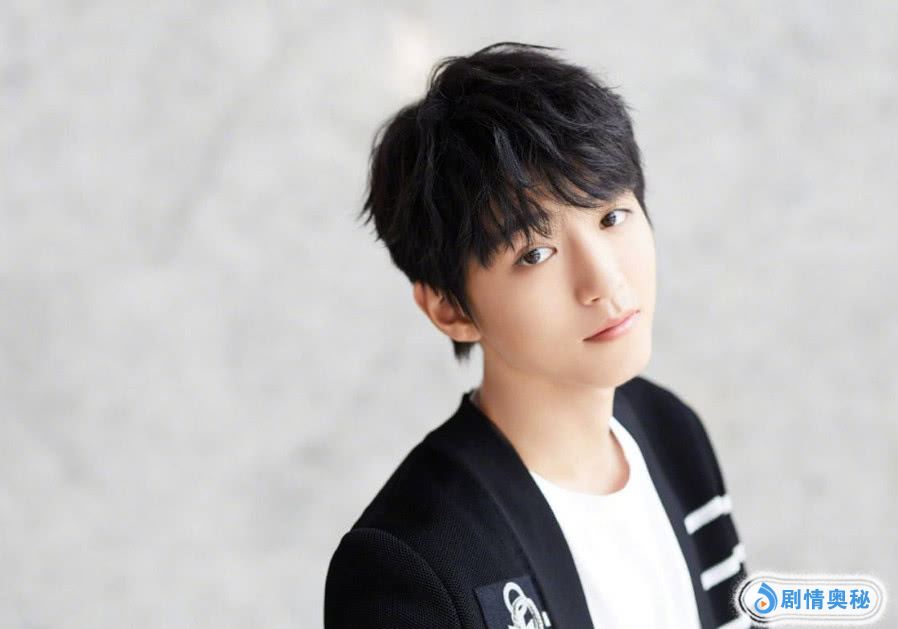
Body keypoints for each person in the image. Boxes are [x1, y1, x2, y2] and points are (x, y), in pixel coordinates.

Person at [324, 41, 754, 629]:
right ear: (449, 308)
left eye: (611, 217)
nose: (604, 281)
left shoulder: (670, 431)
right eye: (535, 253)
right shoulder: (410, 562)